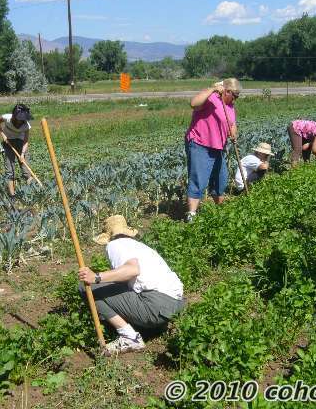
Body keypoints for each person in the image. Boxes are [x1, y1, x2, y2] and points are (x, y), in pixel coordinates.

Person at [78, 215, 185, 355]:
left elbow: (132, 270)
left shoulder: (115, 245)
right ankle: (152, 329)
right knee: (113, 285)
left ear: (108, 236)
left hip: (156, 305)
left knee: (87, 288)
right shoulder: (139, 246)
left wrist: (96, 277)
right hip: (177, 305)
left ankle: (129, 337)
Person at [184, 78, 241, 222]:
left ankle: (220, 212)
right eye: (234, 95)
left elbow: (232, 124)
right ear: (226, 91)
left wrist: (234, 134)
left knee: (220, 179)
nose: (235, 99)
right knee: (199, 180)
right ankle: (191, 214)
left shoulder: (230, 106)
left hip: (218, 147)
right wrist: (212, 89)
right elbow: (193, 103)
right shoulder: (211, 98)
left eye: (237, 96)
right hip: (200, 143)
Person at [0, 104, 33, 196]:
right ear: (15, 116)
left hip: (21, 144)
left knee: (26, 170)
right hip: (8, 143)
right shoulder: (6, 118)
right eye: (20, 119)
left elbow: (26, 141)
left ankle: (31, 194)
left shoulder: (26, 126)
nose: (22, 121)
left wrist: (22, 154)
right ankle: (12, 195)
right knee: (10, 170)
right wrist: (3, 134)